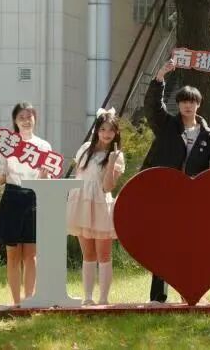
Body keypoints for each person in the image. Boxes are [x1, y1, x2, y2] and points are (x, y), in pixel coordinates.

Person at [143, 59, 210, 303]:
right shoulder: (166, 125)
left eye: (192, 101)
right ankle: (158, 296)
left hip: (194, 198)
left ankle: (190, 293)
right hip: (166, 194)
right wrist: (160, 77)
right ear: (178, 104)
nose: (188, 105)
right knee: (163, 244)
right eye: (184, 101)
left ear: (199, 104)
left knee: (191, 245)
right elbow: (152, 106)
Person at [0, 102, 51, 307]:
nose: (26, 121)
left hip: (34, 198)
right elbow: (1, 179)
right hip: (12, 198)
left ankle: (29, 301)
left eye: (29, 117)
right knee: (13, 255)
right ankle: (17, 303)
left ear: (35, 119)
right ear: (15, 121)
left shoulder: (44, 146)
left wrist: (44, 176)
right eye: (21, 118)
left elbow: (46, 181)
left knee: (31, 256)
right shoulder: (6, 146)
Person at [66, 108, 125, 305]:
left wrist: (111, 163)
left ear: (116, 132)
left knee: (104, 255)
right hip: (81, 201)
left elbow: (107, 187)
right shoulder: (85, 149)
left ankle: (103, 299)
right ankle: (88, 297)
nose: (107, 134)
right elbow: (78, 174)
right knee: (88, 254)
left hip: (101, 203)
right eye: (103, 129)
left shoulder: (117, 155)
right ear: (97, 130)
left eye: (111, 130)